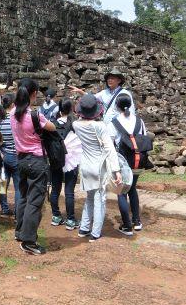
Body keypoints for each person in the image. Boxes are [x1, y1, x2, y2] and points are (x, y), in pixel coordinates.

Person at [11, 78, 56, 255]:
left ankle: (20, 232)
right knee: (35, 201)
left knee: (23, 196)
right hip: (36, 161)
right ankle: (29, 241)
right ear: (34, 93)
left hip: (21, 159)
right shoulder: (35, 115)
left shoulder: (13, 113)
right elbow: (51, 127)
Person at [73, 94, 122, 241]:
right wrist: (116, 170)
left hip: (85, 166)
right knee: (100, 199)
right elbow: (109, 149)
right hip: (98, 167)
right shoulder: (100, 126)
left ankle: (83, 228)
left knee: (89, 197)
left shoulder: (76, 125)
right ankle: (95, 232)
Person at [107, 94, 146, 235]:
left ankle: (127, 225)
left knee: (122, 192)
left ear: (116, 106)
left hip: (123, 161)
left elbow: (110, 144)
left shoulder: (114, 122)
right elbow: (143, 137)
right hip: (138, 160)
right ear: (130, 105)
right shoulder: (139, 121)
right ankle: (137, 221)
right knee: (133, 189)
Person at [49, 99, 79, 230]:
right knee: (69, 191)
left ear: (59, 110)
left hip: (55, 159)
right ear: (71, 110)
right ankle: (71, 219)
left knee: (55, 189)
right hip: (71, 159)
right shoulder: (74, 125)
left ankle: (56, 216)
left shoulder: (52, 124)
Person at [0, 93, 20, 218]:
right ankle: (17, 213)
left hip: (3, 157)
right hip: (16, 157)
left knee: (2, 184)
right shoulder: (15, 120)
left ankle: (4, 209)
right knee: (18, 187)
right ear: (12, 104)